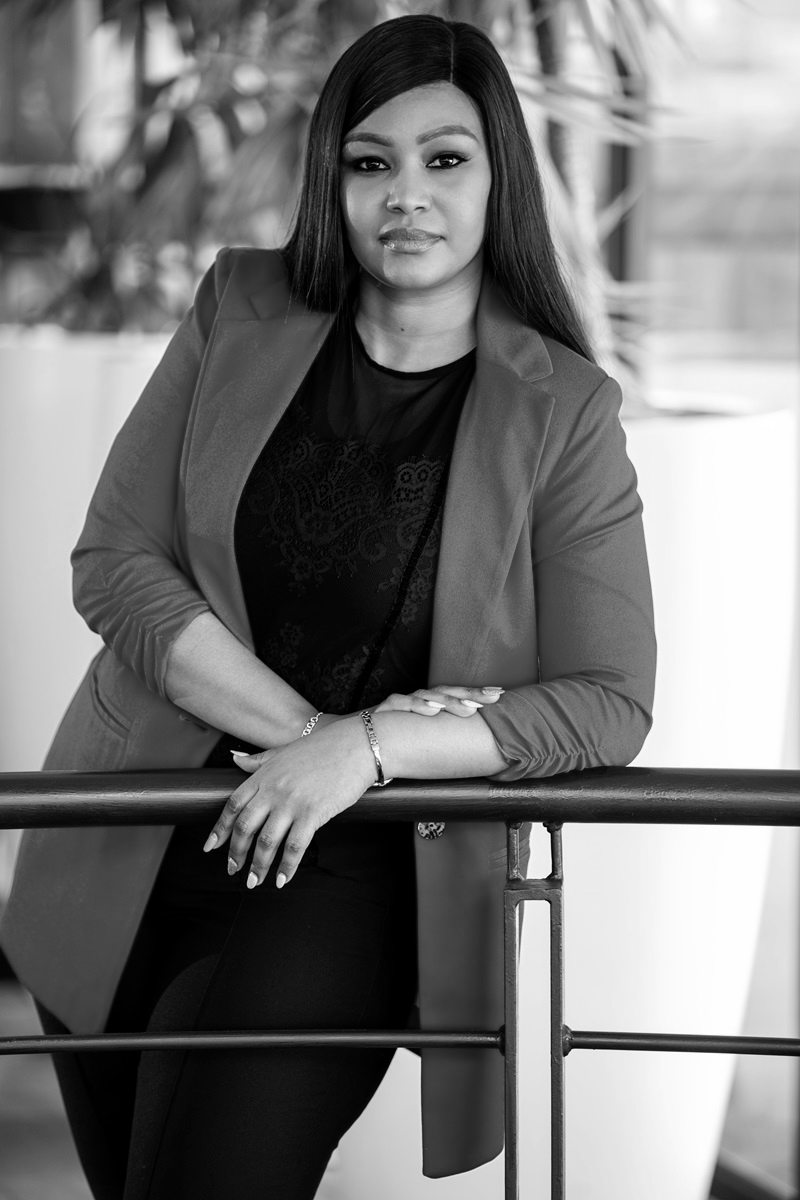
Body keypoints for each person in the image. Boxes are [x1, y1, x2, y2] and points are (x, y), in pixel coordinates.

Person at [0, 12, 656, 1200]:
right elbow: (117, 560)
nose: (405, 195)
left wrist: (366, 755)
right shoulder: (239, 305)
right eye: (369, 161)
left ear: (499, 177)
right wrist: (313, 738)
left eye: (444, 158)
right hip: (131, 838)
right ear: (330, 179)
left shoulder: (562, 410)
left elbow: (609, 701)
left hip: (350, 874)